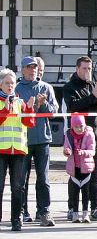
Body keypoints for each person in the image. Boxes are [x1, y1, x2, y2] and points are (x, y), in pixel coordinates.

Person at [63, 56, 97, 221]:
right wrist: (92, 97)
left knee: (94, 173)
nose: (87, 72)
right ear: (77, 68)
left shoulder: (93, 85)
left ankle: (95, 207)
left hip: (94, 136)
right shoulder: (70, 87)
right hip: (76, 137)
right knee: (75, 174)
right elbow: (73, 106)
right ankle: (72, 207)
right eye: (84, 68)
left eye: (89, 69)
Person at [15, 56, 57, 226]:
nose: (32, 70)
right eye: (29, 67)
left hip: (42, 139)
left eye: (34, 67)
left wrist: (44, 103)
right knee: (21, 179)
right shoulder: (16, 89)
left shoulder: (46, 88)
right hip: (23, 140)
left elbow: (54, 112)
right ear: (23, 70)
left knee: (43, 178)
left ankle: (44, 211)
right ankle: (22, 211)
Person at [0, 69, 35, 231]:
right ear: (1, 84)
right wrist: (5, 110)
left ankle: (16, 219)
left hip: (19, 150)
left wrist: (29, 109)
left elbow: (30, 124)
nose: (10, 86)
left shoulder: (20, 102)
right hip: (1, 150)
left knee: (18, 187)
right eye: (7, 83)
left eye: (12, 83)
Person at [64, 115, 97, 223]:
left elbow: (92, 151)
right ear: (72, 127)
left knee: (86, 192)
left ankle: (85, 213)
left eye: (81, 126)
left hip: (86, 168)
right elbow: (66, 147)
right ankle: (74, 214)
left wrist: (84, 152)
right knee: (74, 193)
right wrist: (67, 151)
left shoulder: (89, 134)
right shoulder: (68, 135)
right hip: (74, 169)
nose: (79, 129)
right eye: (76, 126)